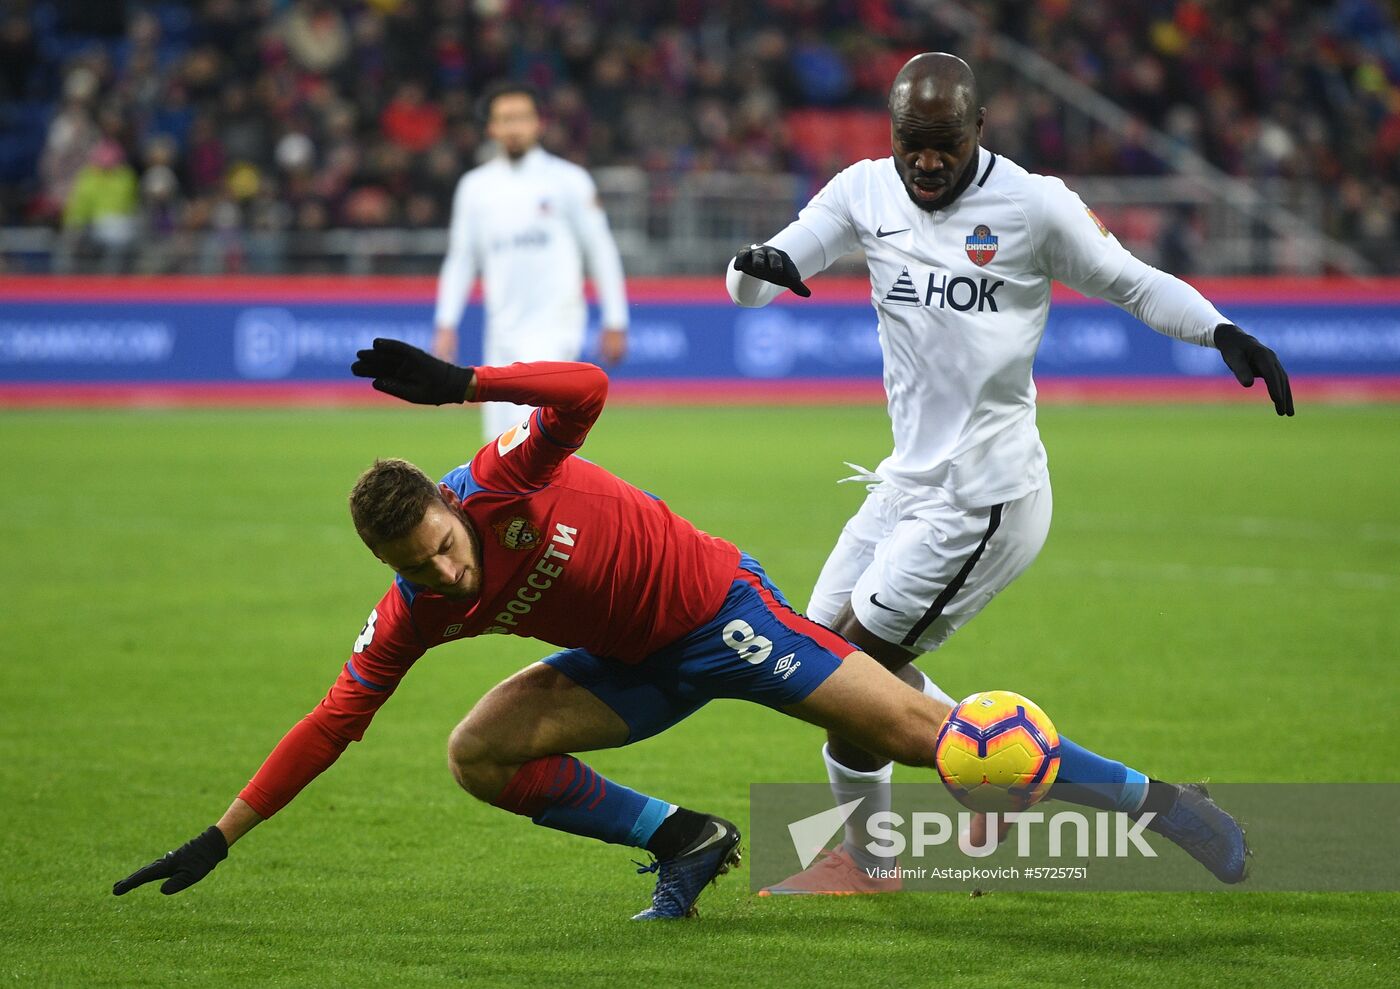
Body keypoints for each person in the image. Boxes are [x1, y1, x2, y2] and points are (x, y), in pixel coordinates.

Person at [111, 340, 1248, 919]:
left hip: (720, 614)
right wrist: (223, 834)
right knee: (476, 751)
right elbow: (334, 717)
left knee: (934, 737)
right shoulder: (417, 607)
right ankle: (682, 839)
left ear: (453, 505)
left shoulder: (502, 477)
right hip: (626, 666)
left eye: (446, 544)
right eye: (421, 567)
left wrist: (465, 378)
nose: (448, 571)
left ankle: (1165, 807)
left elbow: (586, 389)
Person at [727, 52, 1291, 895]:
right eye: (911, 143)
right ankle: (987, 768)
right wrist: (756, 270)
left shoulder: (1032, 205)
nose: (925, 161)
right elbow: (758, 278)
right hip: (906, 483)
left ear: (979, 130)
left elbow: (1133, 284)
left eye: (944, 145)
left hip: (982, 498)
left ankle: (920, 848)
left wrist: (1223, 333)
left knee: (843, 681)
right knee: (817, 661)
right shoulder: (862, 191)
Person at [432, 81, 629, 441]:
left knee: (536, 440)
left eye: (521, 117)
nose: (514, 127)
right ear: (491, 128)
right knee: (498, 445)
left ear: (539, 123)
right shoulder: (475, 187)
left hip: (554, 328)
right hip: (501, 331)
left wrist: (615, 319)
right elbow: (461, 258)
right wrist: (446, 322)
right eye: (504, 119)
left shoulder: (568, 181)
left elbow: (600, 250)